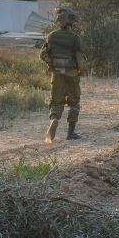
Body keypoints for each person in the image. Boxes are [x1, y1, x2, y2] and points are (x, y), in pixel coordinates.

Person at [40, 8, 86, 143]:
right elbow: (80, 58)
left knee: (56, 101)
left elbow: (42, 54)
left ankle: (54, 120)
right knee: (74, 103)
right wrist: (81, 71)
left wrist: (53, 64)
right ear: (71, 23)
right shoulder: (75, 38)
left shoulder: (51, 36)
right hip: (71, 74)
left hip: (57, 74)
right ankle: (71, 133)